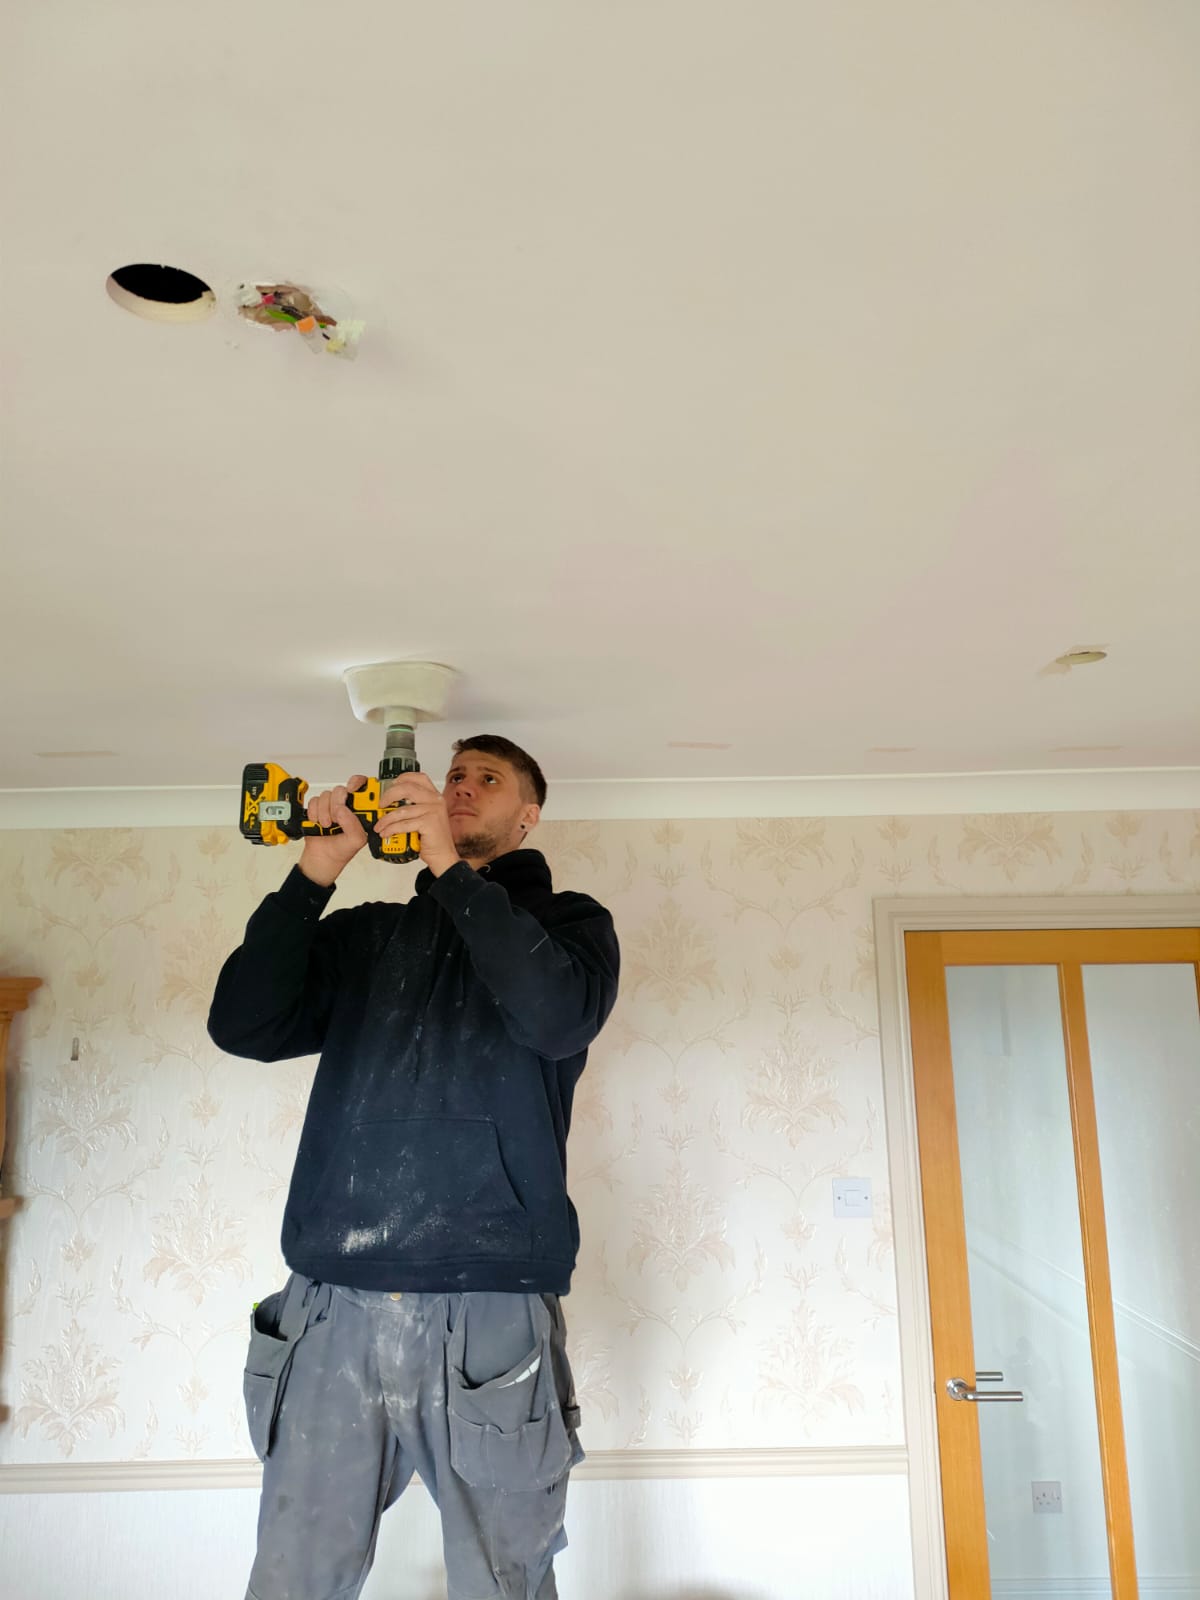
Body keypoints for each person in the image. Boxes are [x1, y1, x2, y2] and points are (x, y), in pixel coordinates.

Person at [207, 735, 620, 1600]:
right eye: (454, 774)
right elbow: (243, 1025)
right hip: (331, 1299)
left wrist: (446, 869)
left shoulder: (571, 925)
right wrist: (313, 875)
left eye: (486, 779)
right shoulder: (368, 937)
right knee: (292, 1580)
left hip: (490, 1309)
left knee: (506, 1581)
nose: (461, 787)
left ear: (528, 814)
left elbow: (553, 1019)